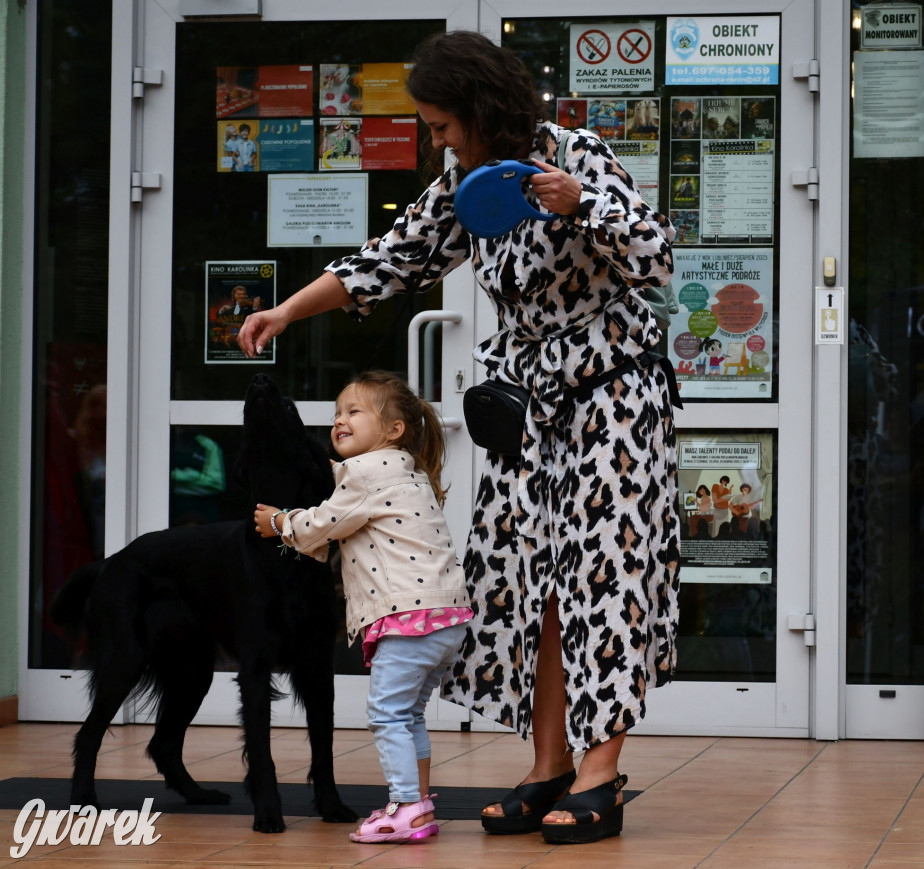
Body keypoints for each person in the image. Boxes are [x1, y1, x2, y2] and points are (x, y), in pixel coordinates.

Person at [238, 29, 680, 845]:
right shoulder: (464, 180)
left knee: (603, 579)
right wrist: (289, 310)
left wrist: (581, 201)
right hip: (526, 408)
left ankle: (599, 775)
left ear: (480, 108)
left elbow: (657, 256)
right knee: (526, 579)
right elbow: (391, 258)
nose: (436, 140)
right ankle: (548, 764)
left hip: (613, 401)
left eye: (442, 125)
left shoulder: (574, 154)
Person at [253, 370, 473, 845]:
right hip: (446, 619)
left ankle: (403, 805)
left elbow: (323, 523)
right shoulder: (407, 470)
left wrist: (279, 521)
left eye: (354, 412)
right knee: (410, 714)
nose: (339, 421)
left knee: (387, 714)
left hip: (408, 618)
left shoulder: (366, 473)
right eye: (336, 413)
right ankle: (419, 802)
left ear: (393, 430)